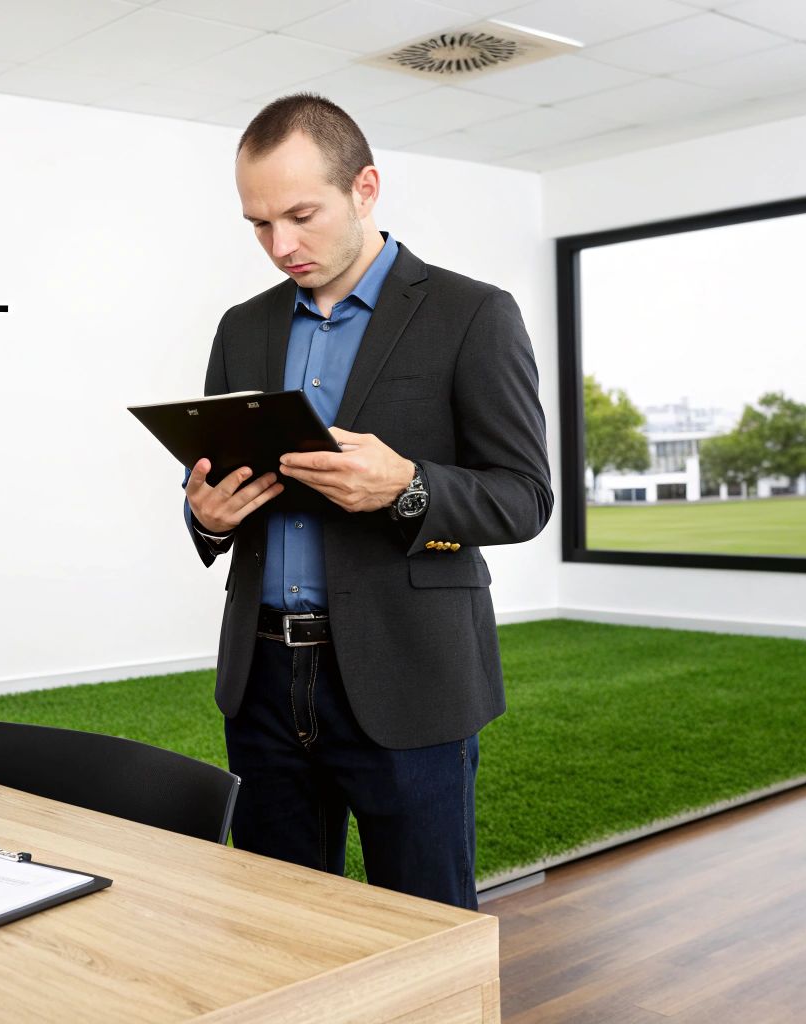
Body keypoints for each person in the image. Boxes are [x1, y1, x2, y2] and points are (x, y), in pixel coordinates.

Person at [180, 93, 552, 911]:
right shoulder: (241, 328)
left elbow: (525, 497)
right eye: (258, 224)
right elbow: (208, 482)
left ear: (366, 188)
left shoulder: (472, 314)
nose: (281, 246)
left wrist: (408, 485)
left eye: (301, 215)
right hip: (265, 681)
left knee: (422, 927)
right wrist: (204, 515)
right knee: (280, 928)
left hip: (409, 674)